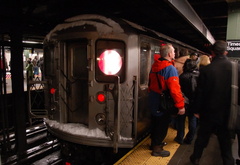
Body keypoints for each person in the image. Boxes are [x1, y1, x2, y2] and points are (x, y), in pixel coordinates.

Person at [190, 40, 235, 165]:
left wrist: (196, 110)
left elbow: (200, 93)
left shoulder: (206, 70)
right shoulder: (236, 68)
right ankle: (228, 162)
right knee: (226, 144)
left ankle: (196, 159)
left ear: (212, 52)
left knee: (201, 139)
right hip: (227, 114)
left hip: (208, 114)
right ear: (225, 52)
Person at [148, 43, 185, 157]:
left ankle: (154, 143)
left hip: (153, 98)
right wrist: (180, 106)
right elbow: (175, 90)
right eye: (173, 52)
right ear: (169, 54)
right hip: (163, 101)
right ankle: (157, 148)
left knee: (155, 122)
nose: (175, 53)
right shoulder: (170, 68)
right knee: (163, 124)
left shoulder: (155, 65)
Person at [174, 59, 199, 144]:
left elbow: (179, 90)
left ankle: (179, 138)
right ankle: (189, 139)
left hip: (184, 102)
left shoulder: (182, 76)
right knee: (192, 120)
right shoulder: (198, 76)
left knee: (181, 121)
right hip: (194, 102)